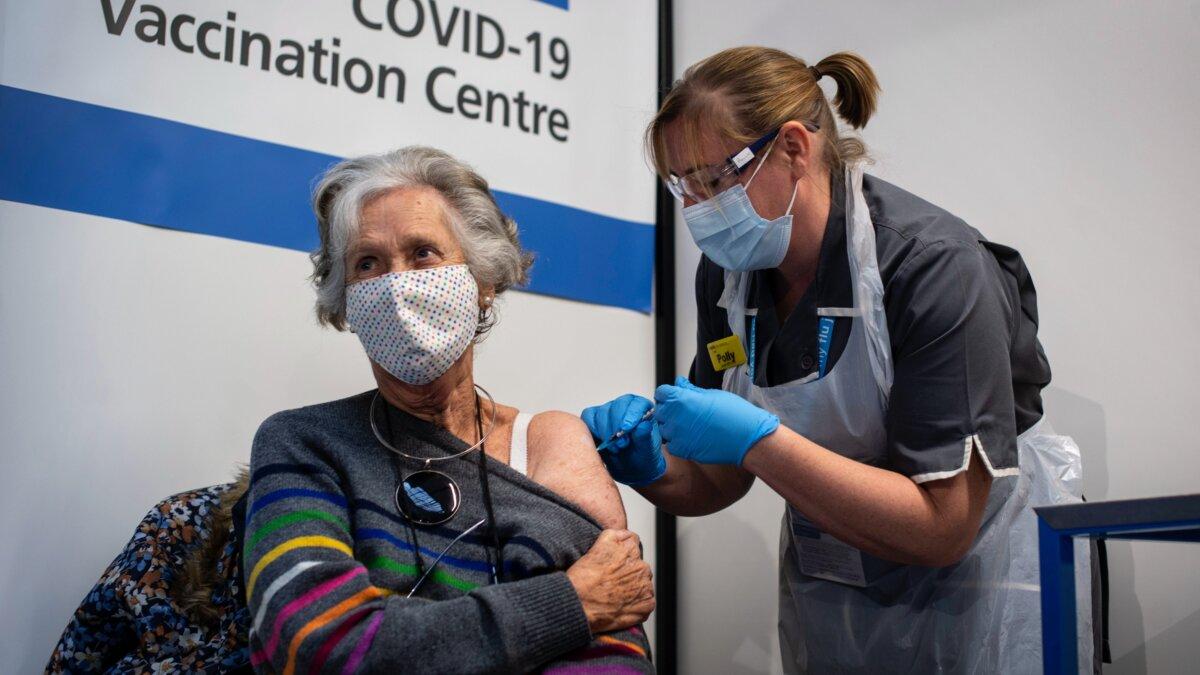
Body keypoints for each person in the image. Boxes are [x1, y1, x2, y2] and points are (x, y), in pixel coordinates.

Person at [583, 47, 1091, 673]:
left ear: (794, 147)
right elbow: (721, 476)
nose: (698, 209)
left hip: (977, 590)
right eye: (683, 185)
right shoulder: (730, 275)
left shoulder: (933, 266)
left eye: (717, 180)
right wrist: (654, 468)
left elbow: (944, 525)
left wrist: (760, 442)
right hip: (838, 593)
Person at [244, 146, 655, 674]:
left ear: (482, 283)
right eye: (367, 263)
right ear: (344, 303)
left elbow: (612, 647)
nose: (396, 286)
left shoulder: (549, 444)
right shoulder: (304, 443)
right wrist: (568, 603)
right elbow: (320, 645)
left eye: (423, 253)